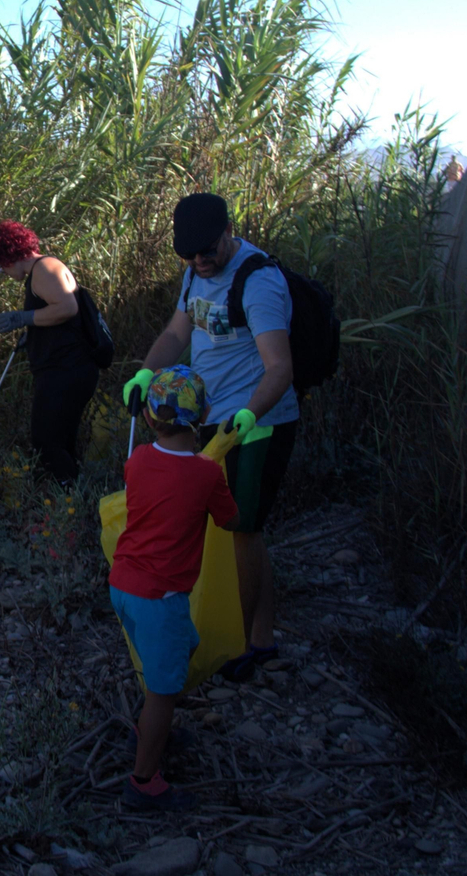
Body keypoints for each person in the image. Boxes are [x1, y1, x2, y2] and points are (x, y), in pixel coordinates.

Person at [123, 193, 298, 681]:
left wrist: (247, 415)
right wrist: (143, 374)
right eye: (189, 254)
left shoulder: (258, 280)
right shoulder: (194, 274)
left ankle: (252, 643)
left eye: (207, 250)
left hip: (258, 423)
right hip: (213, 421)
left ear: (228, 231)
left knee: (243, 529)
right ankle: (244, 631)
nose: (200, 260)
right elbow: (177, 335)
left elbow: (280, 368)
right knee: (237, 530)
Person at [113, 366, 237, 811]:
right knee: (165, 688)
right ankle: (143, 780)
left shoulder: (139, 460)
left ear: (149, 418)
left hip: (124, 585)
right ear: (203, 415)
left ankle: (150, 727)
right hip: (159, 598)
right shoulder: (205, 476)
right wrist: (222, 452)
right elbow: (231, 520)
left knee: (181, 648)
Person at [0, 220, 98, 484]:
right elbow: (60, 317)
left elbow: (67, 308)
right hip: (69, 369)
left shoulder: (44, 269)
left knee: (46, 441)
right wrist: (33, 334)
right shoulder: (44, 269)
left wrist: (25, 318)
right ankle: (75, 499)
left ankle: (67, 503)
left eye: (0, 266)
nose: (2, 272)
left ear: (9, 255)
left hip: (65, 370)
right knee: (62, 440)